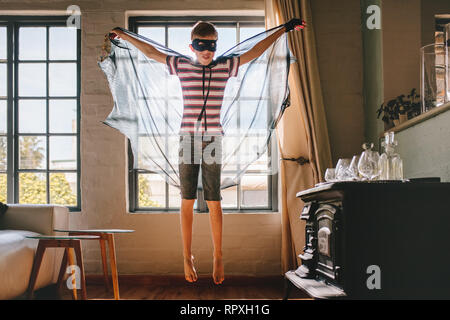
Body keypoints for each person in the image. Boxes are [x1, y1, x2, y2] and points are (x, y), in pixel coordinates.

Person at [109, 18, 305, 285]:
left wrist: (284, 29)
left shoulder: (225, 67)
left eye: (212, 46)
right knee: (187, 200)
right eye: (202, 46)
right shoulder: (181, 66)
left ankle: (218, 255)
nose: (207, 51)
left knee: (214, 202)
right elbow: (152, 53)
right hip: (188, 139)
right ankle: (186, 255)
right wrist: (124, 36)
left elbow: (254, 51)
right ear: (192, 46)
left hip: (213, 140)